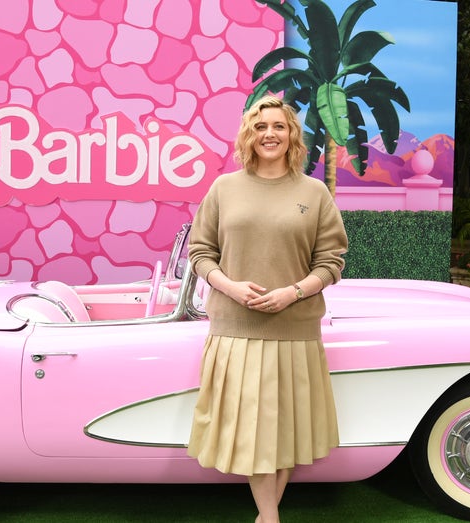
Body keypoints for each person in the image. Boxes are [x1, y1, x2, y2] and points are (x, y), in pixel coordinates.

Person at [186, 94, 349, 523]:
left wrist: (292, 293)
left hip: (295, 329)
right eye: (261, 127)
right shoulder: (224, 188)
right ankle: (271, 517)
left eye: (278, 126)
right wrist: (232, 288)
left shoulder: (314, 193)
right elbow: (201, 252)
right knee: (256, 434)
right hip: (235, 327)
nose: (270, 134)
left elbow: (331, 261)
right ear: (249, 135)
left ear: (292, 134)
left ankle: (266, 516)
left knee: (283, 430)